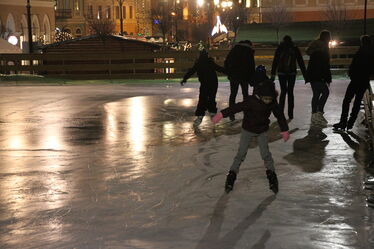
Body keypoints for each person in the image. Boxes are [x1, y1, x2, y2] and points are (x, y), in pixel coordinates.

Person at [212, 66, 290, 194]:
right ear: (259, 95)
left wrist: (284, 129)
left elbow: (280, 115)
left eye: (269, 99)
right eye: (265, 99)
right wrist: (222, 114)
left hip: (262, 131)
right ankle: (231, 176)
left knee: (266, 155)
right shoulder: (251, 101)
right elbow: (236, 108)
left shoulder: (271, 102)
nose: (267, 101)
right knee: (241, 154)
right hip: (248, 130)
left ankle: (272, 177)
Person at [333, 35, 374, 130]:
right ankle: (350, 122)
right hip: (364, 80)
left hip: (356, 79)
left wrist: (351, 73)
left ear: (362, 42)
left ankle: (343, 121)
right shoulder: (371, 52)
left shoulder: (361, 51)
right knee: (357, 101)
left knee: (347, 100)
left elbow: (355, 64)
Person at [181, 49, 226, 127]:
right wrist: (229, 72)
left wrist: (185, 79)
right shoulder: (210, 62)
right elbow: (219, 69)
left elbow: (191, 71)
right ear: (207, 55)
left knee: (203, 98)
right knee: (211, 97)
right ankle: (212, 112)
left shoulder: (199, 63)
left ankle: (200, 115)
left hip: (205, 84)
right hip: (213, 83)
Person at [271, 35, 308, 120]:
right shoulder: (294, 48)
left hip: (281, 72)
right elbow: (300, 62)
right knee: (290, 92)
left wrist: (273, 74)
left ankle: (280, 113)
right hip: (292, 72)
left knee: (283, 92)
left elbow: (275, 61)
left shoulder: (280, 48)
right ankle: (290, 114)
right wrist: (305, 75)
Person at [224, 40, 256, 121]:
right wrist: (252, 78)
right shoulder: (249, 51)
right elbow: (251, 65)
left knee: (233, 94)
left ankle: (231, 113)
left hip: (234, 76)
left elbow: (226, 62)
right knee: (245, 94)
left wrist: (229, 73)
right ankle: (247, 113)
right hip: (244, 77)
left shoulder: (234, 50)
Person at [306, 30, 332, 125]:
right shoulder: (322, 50)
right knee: (325, 92)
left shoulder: (316, 50)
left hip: (313, 75)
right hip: (318, 76)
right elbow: (324, 66)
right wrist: (327, 78)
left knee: (316, 94)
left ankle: (315, 115)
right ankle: (318, 113)